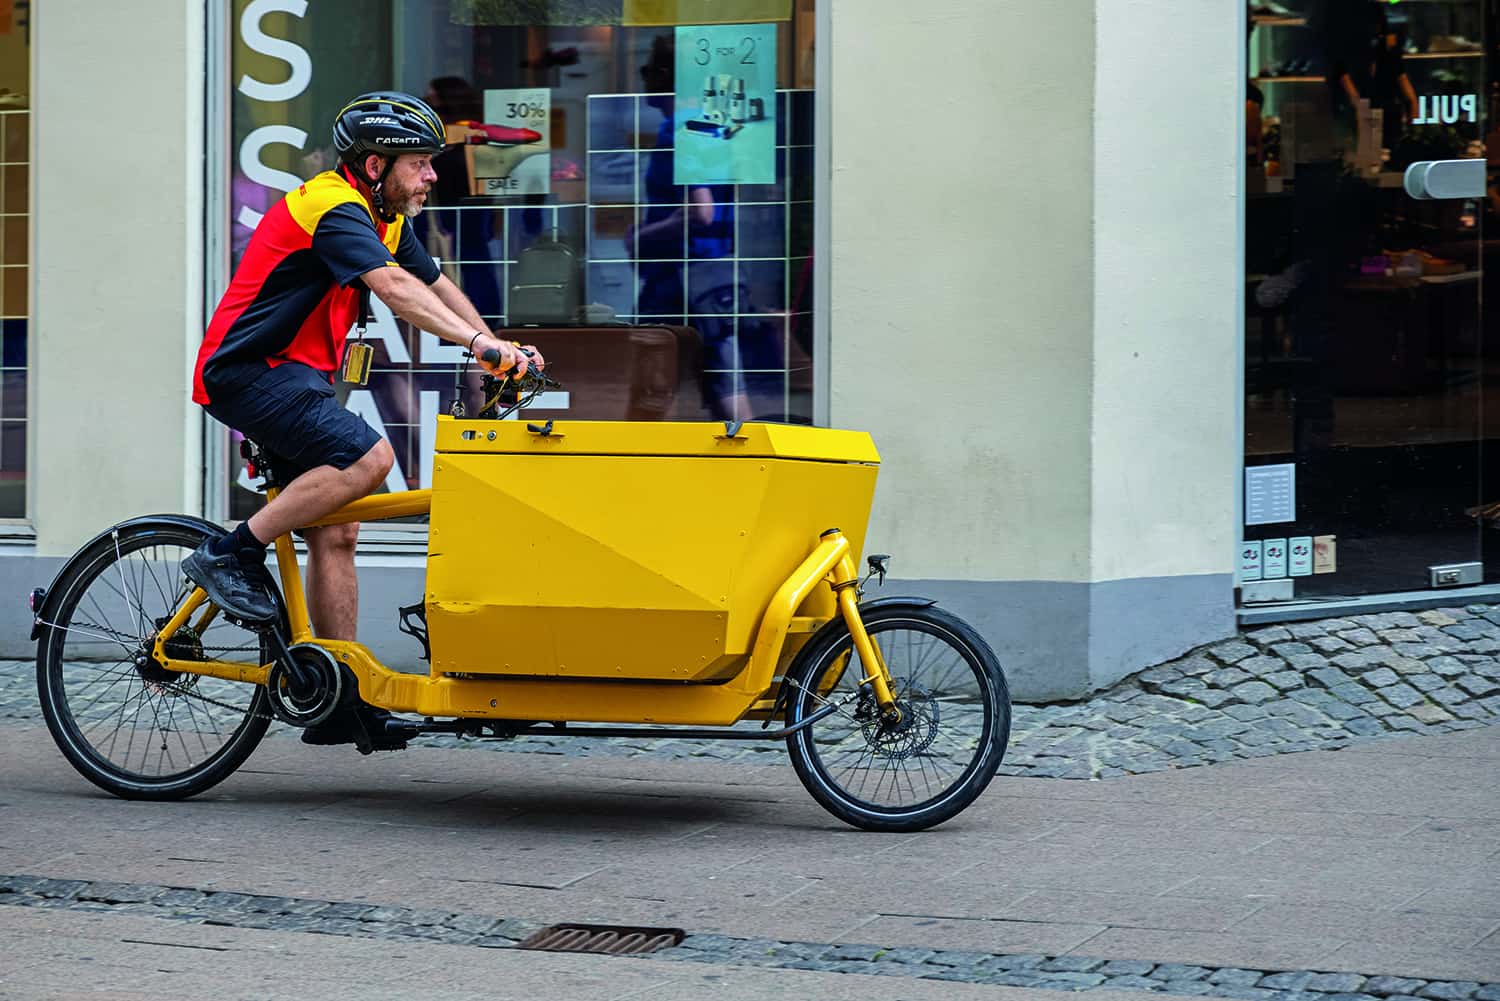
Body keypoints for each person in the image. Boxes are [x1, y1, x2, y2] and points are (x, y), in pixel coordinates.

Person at [187, 91, 544, 741]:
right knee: (369, 457)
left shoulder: (383, 215)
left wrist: (498, 347)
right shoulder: (333, 206)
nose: (433, 176)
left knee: (337, 533)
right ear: (376, 165)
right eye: (421, 164)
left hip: (301, 378)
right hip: (249, 369)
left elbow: (434, 282)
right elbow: (394, 288)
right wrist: (476, 347)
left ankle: (336, 698)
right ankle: (230, 553)